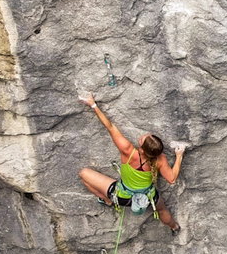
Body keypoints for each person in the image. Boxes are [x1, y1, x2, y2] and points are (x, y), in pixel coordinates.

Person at [78, 93, 183, 234]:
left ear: (141, 147)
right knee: (162, 209)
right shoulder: (160, 160)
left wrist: (93, 104)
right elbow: (171, 178)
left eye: (146, 137)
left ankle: (107, 200)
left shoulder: (128, 151)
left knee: (84, 174)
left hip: (122, 197)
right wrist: (179, 156)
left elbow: (110, 127)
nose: (145, 135)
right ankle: (174, 227)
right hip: (148, 197)